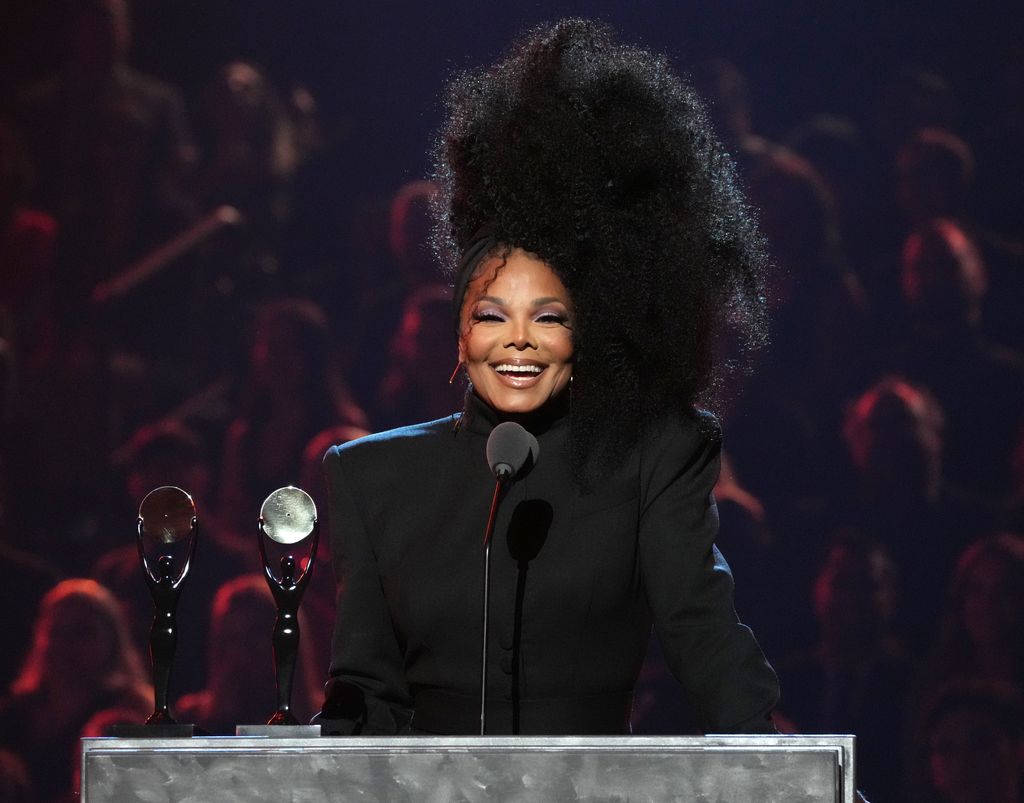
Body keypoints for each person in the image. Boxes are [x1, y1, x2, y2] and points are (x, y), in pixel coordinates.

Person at [317, 19, 779, 737]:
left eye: (549, 316)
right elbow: (363, 698)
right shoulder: (370, 477)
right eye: (493, 314)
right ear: (460, 331)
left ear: (587, 331)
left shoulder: (653, 457)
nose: (519, 341)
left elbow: (709, 647)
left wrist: (802, 778)